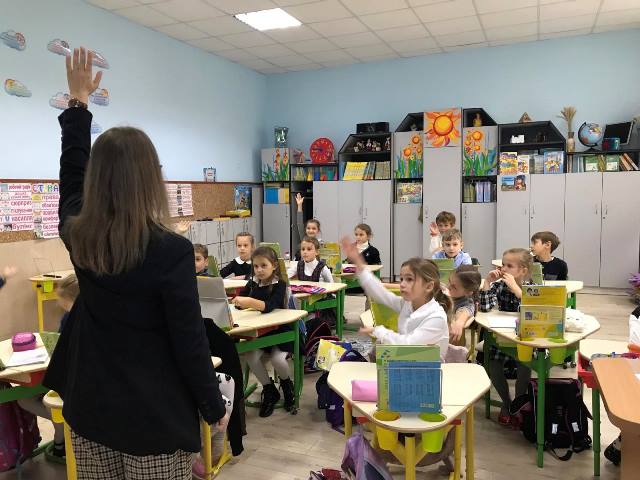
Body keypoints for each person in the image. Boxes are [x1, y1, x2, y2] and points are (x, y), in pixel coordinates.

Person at [43, 47, 228, 479]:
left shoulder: (80, 235)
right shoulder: (170, 250)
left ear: (97, 180)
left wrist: (78, 105)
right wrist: (212, 405)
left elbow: (71, 176)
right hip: (154, 418)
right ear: (150, 178)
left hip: (90, 408)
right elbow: (188, 340)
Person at [341, 237, 450, 359]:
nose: (402, 284)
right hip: (406, 361)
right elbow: (381, 293)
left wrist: (378, 331)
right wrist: (359, 263)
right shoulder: (408, 304)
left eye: (409, 279)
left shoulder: (436, 317)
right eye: (402, 279)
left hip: (426, 367)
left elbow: (408, 345)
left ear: (429, 286)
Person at [18, 274, 79, 462]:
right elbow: (60, 343)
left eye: (62, 300)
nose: (59, 304)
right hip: (62, 374)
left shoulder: (79, 320)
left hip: (73, 382)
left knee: (26, 400)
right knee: (27, 398)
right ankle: (61, 437)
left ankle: (62, 436)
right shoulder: (69, 317)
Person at [232, 246, 294, 417]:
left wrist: (249, 301)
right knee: (251, 357)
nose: (259, 270)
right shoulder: (253, 282)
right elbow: (239, 301)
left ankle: (287, 386)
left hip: (281, 331)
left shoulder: (279, 284)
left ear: (274, 265)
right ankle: (269, 389)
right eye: (256, 266)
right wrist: (240, 302)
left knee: (277, 359)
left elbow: (270, 306)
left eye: (263, 265)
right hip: (261, 331)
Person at [479, 248, 533, 427]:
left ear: (523, 270)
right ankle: (507, 402)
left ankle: (519, 402)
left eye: (509, 266)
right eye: (503, 265)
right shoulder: (500, 285)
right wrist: (488, 282)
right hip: (502, 335)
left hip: (523, 338)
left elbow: (535, 310)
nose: (503, 269)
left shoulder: (532, 287)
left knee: (525, 366)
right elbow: (485, 307)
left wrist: (517, 290)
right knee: (493, 365)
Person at [447, 265, 481, 347]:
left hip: (449, 345)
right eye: (449, 281)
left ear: (468, 292)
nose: (448, 286)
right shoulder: (446, 293)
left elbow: (466, 311)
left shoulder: (466, 302)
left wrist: (460, 322)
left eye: (454, 287)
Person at [293, 193, 322, 261]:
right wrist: (299, 205)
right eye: (308, 228)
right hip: (304, 265)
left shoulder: (320, 243)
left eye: (314, 228)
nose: (311, 230)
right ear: (305, 230)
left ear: (318, 230)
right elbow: (299, 223)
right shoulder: (304, 238)